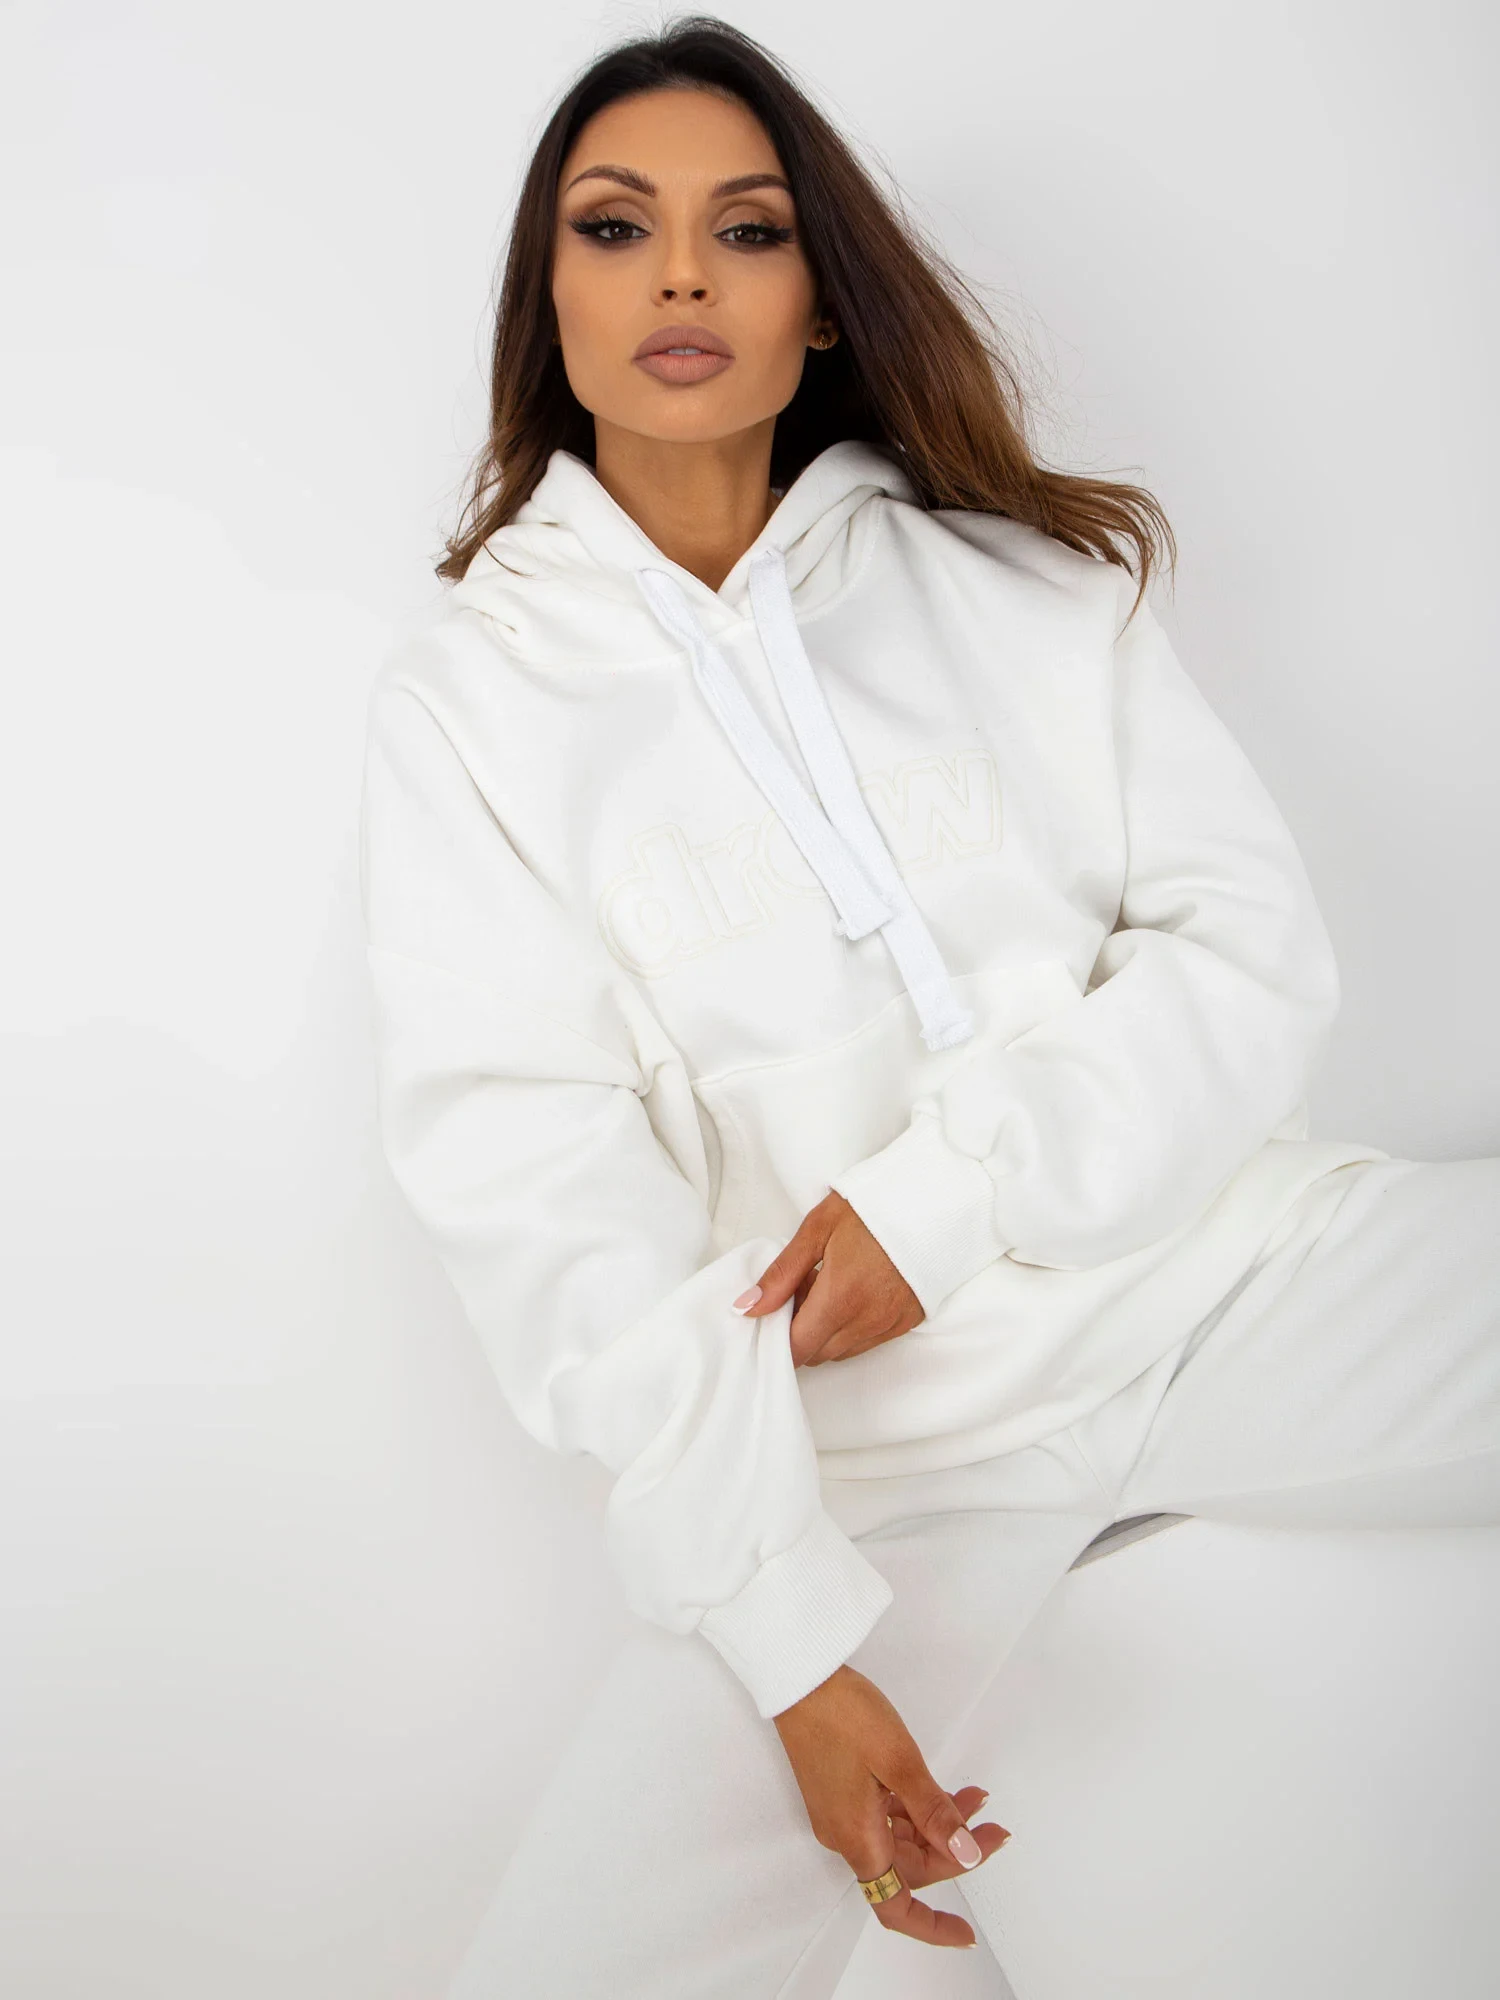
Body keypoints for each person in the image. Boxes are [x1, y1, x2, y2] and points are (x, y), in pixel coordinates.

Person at [356, 17, 1500, 1996]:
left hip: (1220, 1283)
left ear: (821, 302)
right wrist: (793, 1645)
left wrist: (949, 1198)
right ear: (552, 304)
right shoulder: (473, 708)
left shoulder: (1011, 589)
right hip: (867, 1475)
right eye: (616, 229)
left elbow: (1246, 957)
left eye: (748, 229)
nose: (683, 276)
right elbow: (543, 1207)